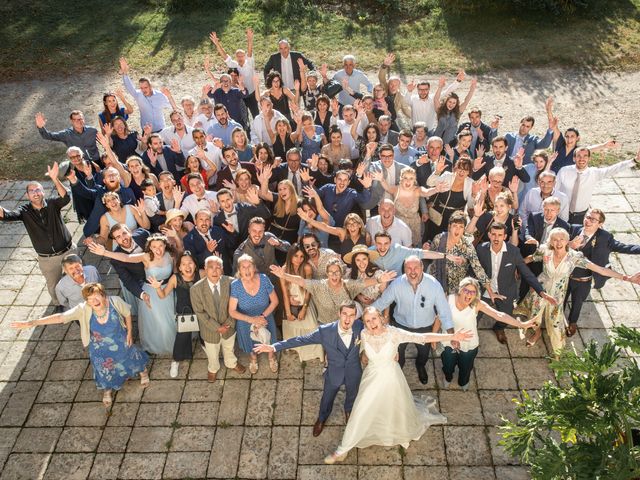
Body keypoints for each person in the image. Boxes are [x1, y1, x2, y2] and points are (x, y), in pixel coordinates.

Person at [323, 306, 472, 464]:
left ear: (382, 318)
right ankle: (342, 449)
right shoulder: (363, 334)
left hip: (391, 378)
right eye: (367, 321)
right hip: (371, 379)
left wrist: (451, 336)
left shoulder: (394, 333)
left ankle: (390, 430)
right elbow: (352, 347)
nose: (371, 323)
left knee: (393, 407)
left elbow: (422, 337)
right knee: (360, 411)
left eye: (374, 319)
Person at [11, 283, 150, 408]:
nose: (94, 301)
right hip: (98, 348)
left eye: (96, 297)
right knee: (103, 368)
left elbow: (127, 313)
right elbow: (61, 317)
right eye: (89, 299)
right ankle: (107, 389)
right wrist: (32, 322)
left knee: (130, 358)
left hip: (120, 341)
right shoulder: (83, 309)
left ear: (103, 296)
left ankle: (142, 371)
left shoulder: (115, 301)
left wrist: (130, 332)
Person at [516, 228, 639, 352]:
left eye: (561, 239)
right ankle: (536, 333)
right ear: (550, 242)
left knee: (555, 322)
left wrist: (626, 278)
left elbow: (601, 270)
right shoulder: (545, 250)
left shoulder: (574, 257)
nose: (558, 243)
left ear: (567, 241)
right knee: (535, 314)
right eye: (555, 240)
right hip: (540, 289)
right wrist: (517, 266)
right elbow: (531, 258)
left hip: (557, 294)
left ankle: (558, 350)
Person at [253, 302, 362, 437]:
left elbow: (379, 332)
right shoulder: (325, 331)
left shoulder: (360, 326)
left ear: (355, 316)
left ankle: (348, 411)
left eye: (351, 315)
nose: (347, 319)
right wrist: (274, 347)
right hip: (334, 373)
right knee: (327, 399)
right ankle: (322, 418)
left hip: (353, 372)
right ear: (339, 314)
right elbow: (300, 340)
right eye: (344, 314)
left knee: (352, 395)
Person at [0, 162, 75, 311]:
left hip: (68, 251)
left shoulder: (53, 204)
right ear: (27, 195)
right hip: (47, 259)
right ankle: (59, 304)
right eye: (31, 191)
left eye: (38, 190)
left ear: (43, 192)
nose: (35, 193)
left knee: (78, 276)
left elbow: (66, 198)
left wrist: (55, 179)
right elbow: (5, 215)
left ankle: (83, 297)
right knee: (53, 284)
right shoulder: (24, 211)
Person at [88, 234, 177, 355]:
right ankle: (161, 344)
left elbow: (176, 273)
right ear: (149, 247)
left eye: (160, 246)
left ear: (165, 245)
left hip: (169, 288)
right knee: (159, 321)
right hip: (151, 292)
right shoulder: (146, 257)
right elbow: (126, 257)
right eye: (154, 246)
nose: (158, 249)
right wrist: (105, 252)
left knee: (173, 317)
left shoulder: (170, 255)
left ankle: (178, 341)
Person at [372, 256, 453, 385]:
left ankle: (420, 366)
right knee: (398, 353)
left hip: (425, 327)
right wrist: (366, 315)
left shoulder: (434, 285)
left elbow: (444, 310)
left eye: (416, 267)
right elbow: (382, 303)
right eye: (408, 268)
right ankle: (397, 371)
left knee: (423, 353)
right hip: (400, 326)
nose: (412, 271)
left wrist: (451, 334)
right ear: (404, 269)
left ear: (422, 268)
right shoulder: (397, 284)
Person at [441, 278, 534, 390]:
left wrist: (521, 324)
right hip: (448, 340)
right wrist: (433, 337)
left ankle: (463, 382)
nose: (469, 295)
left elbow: (499, 315)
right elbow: (439, 318)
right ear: (460, 290)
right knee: (447, 364)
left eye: (473, 292)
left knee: (466, 366)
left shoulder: (477, 304)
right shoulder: (448, 300)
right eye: (466, 290)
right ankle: (448, 377)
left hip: (469, 343)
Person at [476, 223, 556, 344]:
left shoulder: (513, 252)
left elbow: (527, 274)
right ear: (489, 235)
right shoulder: (481, 248)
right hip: (485, 290)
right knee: (474, 316)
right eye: (493, 234)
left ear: (505, 236)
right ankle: (471, 333)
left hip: (506, 291)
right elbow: (475, 270)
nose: (496, 238)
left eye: (500, 235)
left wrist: (542, 293)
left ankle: (498, 328)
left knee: (507, 316)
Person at [565, 208, 640, 337]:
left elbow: (624, 247)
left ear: (600, 224)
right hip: (565, 276)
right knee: (561, 299)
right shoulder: (573, 229)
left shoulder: (605, 237)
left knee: (577, 303)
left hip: (583, 280)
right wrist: (570, 245)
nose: (588, 221)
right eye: (587, 217)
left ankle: (572, 322)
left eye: (593, 219)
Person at [270, 259, 396, 325]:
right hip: (326, 324)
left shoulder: (349, 285)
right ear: (327, 273)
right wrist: (284, 275)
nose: (334, 275)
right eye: (331, 272)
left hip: (345, 325)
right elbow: (301, 281)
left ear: (341, 273)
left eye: (337, 272)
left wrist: (380, 279)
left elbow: (365, 282)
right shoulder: (319, 285)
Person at [190, 256, 246, 382]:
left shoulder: (232, 283)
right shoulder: (196, 289)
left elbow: (237, 305)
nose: (214, 271)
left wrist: (228, 324)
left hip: (229, 326)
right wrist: (217, 327)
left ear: (222, 269)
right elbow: (200, 312)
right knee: (212, 352)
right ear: (205, 269)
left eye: (218, 267)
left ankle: (231, 362)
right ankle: (213, 368)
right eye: (211, 268)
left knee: (229, 347)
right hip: (209, 330)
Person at [148, 251, 200, 378]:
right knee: (182, 337)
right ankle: (175, 361)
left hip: (201, 311)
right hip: (184, 313)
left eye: (190, 263)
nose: (187, 267)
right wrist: (157, 287)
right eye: (184, 264)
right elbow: (163, 295)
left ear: (195, 265)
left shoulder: (202, 274)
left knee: (204, 334)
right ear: (180, 267)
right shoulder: (175, 278)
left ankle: (202, 350)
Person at [556, 146, 639, 224]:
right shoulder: (564, 171)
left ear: (589, 158)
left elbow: (613, 169)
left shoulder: (594, 173)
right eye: (579, 156)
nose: (582, 159)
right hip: (561, 212)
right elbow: (555, 190)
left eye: (585, 156)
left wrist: (634, 161)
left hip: (580, 216)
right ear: (574, 158)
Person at [229, 254, 280, 374]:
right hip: (245, 319)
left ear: (254, 267)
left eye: (249, 266)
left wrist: (261, 318)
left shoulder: (263, 279)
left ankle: (271, 357)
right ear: (239, 270)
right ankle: (253, 359)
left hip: (265, 316)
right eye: (243, 267)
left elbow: (275, 301)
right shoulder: (236, 285)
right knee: (249, 342)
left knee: (269, 338)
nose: (247, 270)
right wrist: (251, 320)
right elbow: (232, 311)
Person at [371, 166, 444, 246]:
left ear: (414, 180)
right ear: (401, 178)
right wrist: (381, 179)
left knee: (413, 248)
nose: (408, 181)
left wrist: (436, 189)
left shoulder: (417, 190)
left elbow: (426, 192)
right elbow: (387, 187)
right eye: (405, 178)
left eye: (411, 178)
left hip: (414, 226)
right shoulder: (396, 190)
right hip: (398, 226)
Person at [428, 211, 493, 297]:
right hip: (435, 282)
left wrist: (490, 292)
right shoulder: (439, 239)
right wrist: (427, 249)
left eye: (461, 227)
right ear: (449, 227)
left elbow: (478, 269)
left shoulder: (467, 246)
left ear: (464, 229)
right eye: (455, 226)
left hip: (454, 289)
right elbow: (430, 256)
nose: (457, 230)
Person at [279, 244, 323, 362]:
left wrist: (304, 308)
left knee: (312, 326)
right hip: (291, 303)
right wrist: (288, 312)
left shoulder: (307, 268)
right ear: (290, 256)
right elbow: (284, 293)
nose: (299, 260)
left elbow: (309, 290)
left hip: (305, 301)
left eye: (302, 256)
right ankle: (296, 348)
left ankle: (313, 352)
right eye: (296, 256)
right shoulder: (283, 270)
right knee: (292, 325)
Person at [208, 28, 259, 117]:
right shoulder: (234, 65)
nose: (240, 58)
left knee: (256, 114)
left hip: (251, 94)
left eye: (242, 56)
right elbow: (225, 56)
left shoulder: (249, 63)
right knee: (244, 116)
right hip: (240, 95)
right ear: (236, 57)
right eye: (238, 56)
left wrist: (250, 40)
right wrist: (217, 43)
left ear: (244, 56)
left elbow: (250, 52)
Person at [424, 156, 475, 242]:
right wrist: (437, 172)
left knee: (447, 243)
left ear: (469, 172)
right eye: (460, 168)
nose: (462, 172)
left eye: (465, 170)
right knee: (432, 240)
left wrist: (474, 194)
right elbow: (429, 182)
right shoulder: (447, 176)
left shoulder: (470, 183)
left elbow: (470, 205)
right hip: (438, 215)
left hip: (455, 220)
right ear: (456, 168)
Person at [119, 57, 174, 132]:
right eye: (141, 88)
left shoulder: (160, 95)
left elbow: (172, 106)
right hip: (146, 130)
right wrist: (125, 73)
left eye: (145, 87)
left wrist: (170, 96)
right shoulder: (138, 95)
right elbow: (129, 87)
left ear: (150, 86)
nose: (143, 90)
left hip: (161, 130)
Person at [299, 205, 369, 261]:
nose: (352, 227)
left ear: (360, 225)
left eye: (354, 224)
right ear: (346, 227)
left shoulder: (366, 236)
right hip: (345, 269)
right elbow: (325, 227)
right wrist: (308, 220)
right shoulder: (343, 233)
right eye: (349, 224)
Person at [109, 224, 150, 316]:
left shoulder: (143, 234)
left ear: (130, 232)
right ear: (115, 241)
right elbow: (128, 280)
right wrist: (142, 294)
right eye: (118, 237)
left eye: (124, 233)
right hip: (142, 281)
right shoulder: (116, 259)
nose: (123, 238)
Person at [35, 110, 100, 163]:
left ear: (83, 119)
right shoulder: (66, 134)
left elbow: (105, 142)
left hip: (97, 161)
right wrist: (41, 127)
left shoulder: (93, 131)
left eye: (80, 119)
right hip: (80, 164)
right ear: (71, 121)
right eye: (75, 120)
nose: (78, 121)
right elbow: (48, 136)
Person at [504, 98, 554, 164]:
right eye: (523, 125)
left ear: (531, 128)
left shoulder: (533, 140)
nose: (524, 128)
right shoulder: (508, 136)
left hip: (523, 169)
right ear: (520, 123)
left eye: (527, 126)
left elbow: (545, 144)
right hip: (507, 166)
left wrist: (550, 129)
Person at [434, 77, 477, 146]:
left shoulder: (458, 112)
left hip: (449, 143)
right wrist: (440, 87)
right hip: (436, 141)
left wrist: (471, 90)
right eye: (450, 102)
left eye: (454, 103)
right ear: (446, 101)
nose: (451, 104)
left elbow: (466, 101)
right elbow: (436, 99)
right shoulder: (440, 110)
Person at [344, 244, 388, 310]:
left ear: (368, 259)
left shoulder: (378, 274)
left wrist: (386, 315)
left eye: (364, 259)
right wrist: (358, 296)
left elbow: (386, 297)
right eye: (358, 260)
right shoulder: (349, 274)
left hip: (376, 310)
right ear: (354, 261)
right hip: (356, 311)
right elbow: (345, 293)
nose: (361, 263)